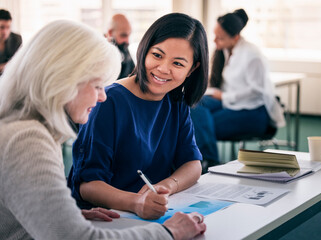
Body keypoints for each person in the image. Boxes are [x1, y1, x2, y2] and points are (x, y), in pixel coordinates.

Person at [0, 19, 206, 240]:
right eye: (97, 85)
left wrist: (69, 216)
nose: (102, 95)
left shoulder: (29, 132)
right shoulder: (26, 139)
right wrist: (168, 232)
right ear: (61, 80)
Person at [68, 13, 209, 220]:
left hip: (152, 213)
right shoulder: (108, 101)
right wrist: (136, 202)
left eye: (178, 64)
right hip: (107, 218)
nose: (163, 69)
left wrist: (167, 186)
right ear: (144, 50)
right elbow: (87, 186)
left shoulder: (176, 101)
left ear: (192, 69)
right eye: (157, 55)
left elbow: (192, 164)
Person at [190, 9, 285, 166]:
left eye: (219, 38)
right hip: (231, 102)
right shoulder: (228, 50)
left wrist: (225, 97)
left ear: (235, 37)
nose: (214, 41)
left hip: (253, 111)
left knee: (201, 124)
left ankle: (210, 162)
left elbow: (257, 91)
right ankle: (208, 160)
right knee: (194, 105)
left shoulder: (252, 55)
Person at [107, 13, 135, 79]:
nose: (127, 41)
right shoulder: (102, 52)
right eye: (123, 35)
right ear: (110, 33)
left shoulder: (123, 47)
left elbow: (134, 73)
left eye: (129, 35)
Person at [0, 9, 22, 74]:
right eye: (2, 27)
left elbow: (19, 62)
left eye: (8, 27)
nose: (5, 32)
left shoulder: (16, 39)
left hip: (11, 77)